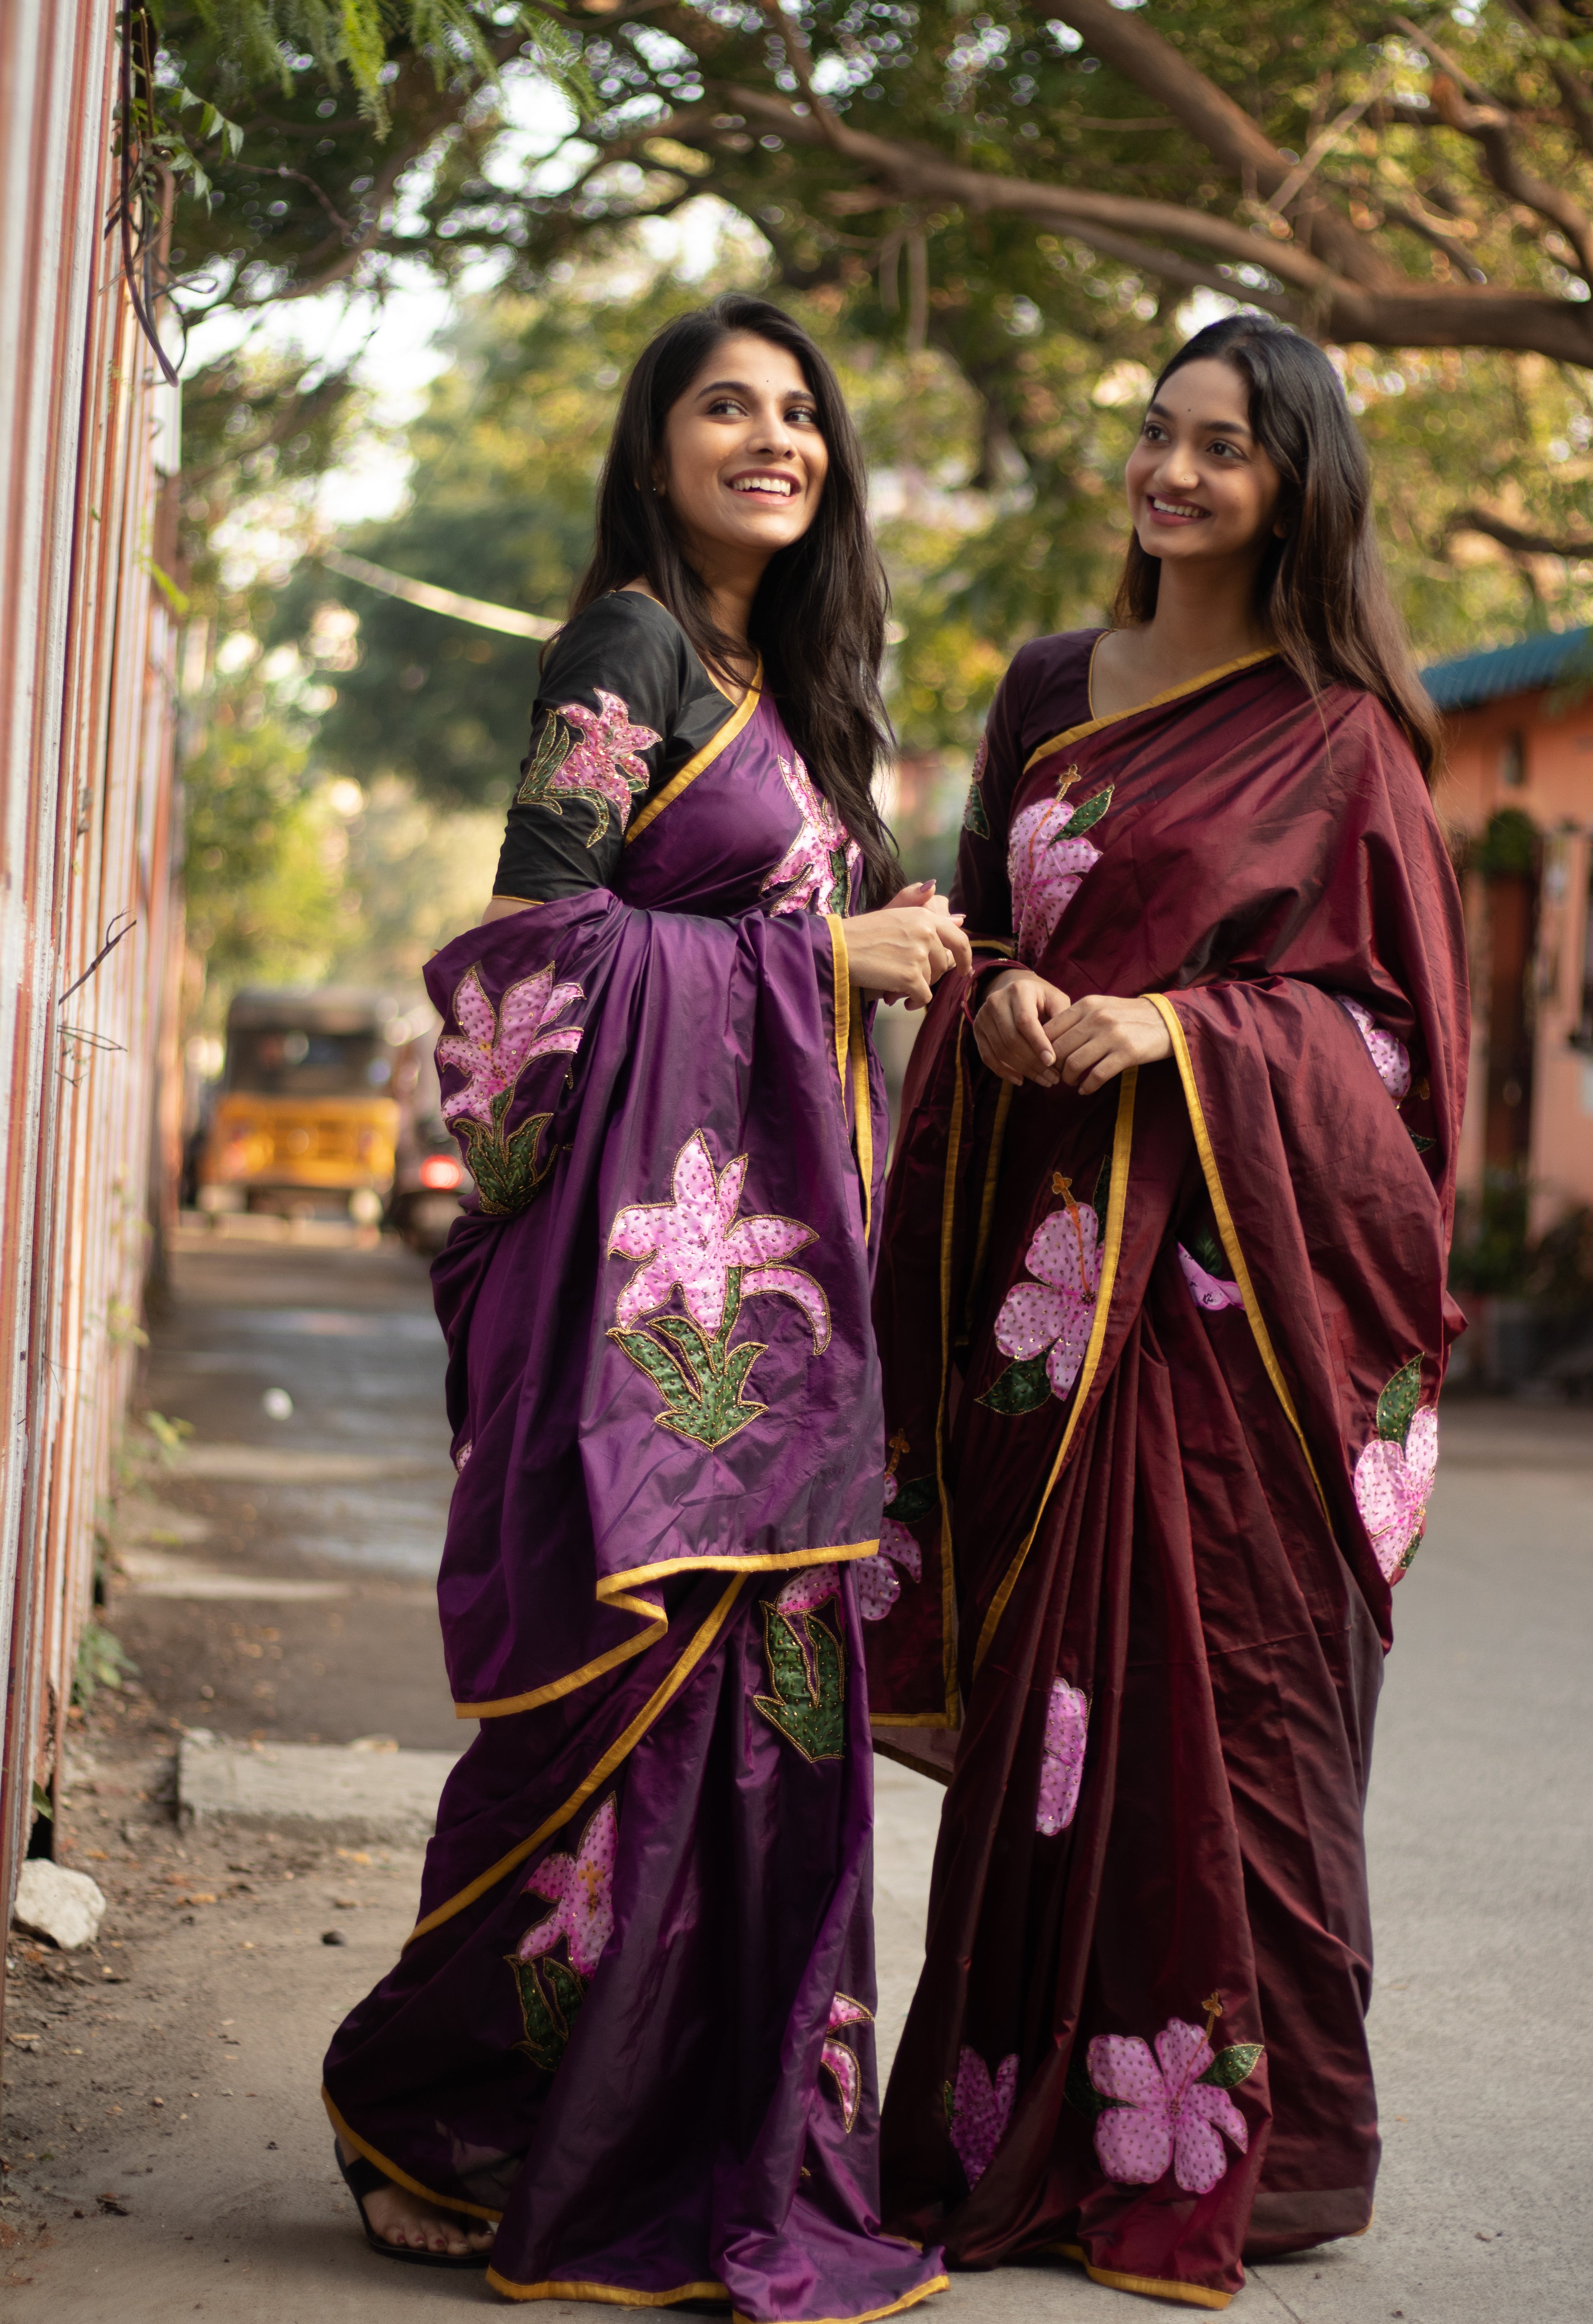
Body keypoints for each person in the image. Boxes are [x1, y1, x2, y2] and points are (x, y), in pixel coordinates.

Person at [322, 292, 965, 2318]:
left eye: (798, 413)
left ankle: (697, 2134)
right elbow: (540, 943)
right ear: (657, 440)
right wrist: (821, 963)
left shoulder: (779, 680)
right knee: (603, 1718)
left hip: (776, 1318)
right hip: (642, 1320)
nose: (771, 438)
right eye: (726, 407)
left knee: (761, 1731)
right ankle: (428, 2108)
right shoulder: (627, 645)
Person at [863, 316, 1469, 2310]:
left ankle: (1248, 2154)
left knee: (1231, 1719)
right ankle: (1000, 2125)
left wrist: (1177, 1029)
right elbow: (959, 929)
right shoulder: (1051, 687)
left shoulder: (1342, 735)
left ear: (1294, 486)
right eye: (1156, 433)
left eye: (1220, 447)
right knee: (1056, 1710)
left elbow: (1395, 1055)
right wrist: (1003, 995)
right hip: (1050, 1278)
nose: (1172, 472)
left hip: (1231, 1313)